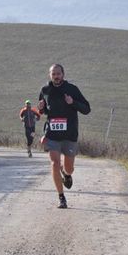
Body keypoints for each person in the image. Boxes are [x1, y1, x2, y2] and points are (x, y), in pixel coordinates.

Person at [37, 64, 90, 208]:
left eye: (58, 73)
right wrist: (41, 109)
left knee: (69, 168)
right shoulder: (45, 90)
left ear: (63, 74)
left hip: (69, 134)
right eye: (53, 74)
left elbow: (87, 109)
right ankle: (61, 198)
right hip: (52, 134)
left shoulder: (72, 89)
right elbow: (45, 111)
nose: (56, 76)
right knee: (54, 163)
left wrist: (73, 103)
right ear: (50, 75)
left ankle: (66, 174)